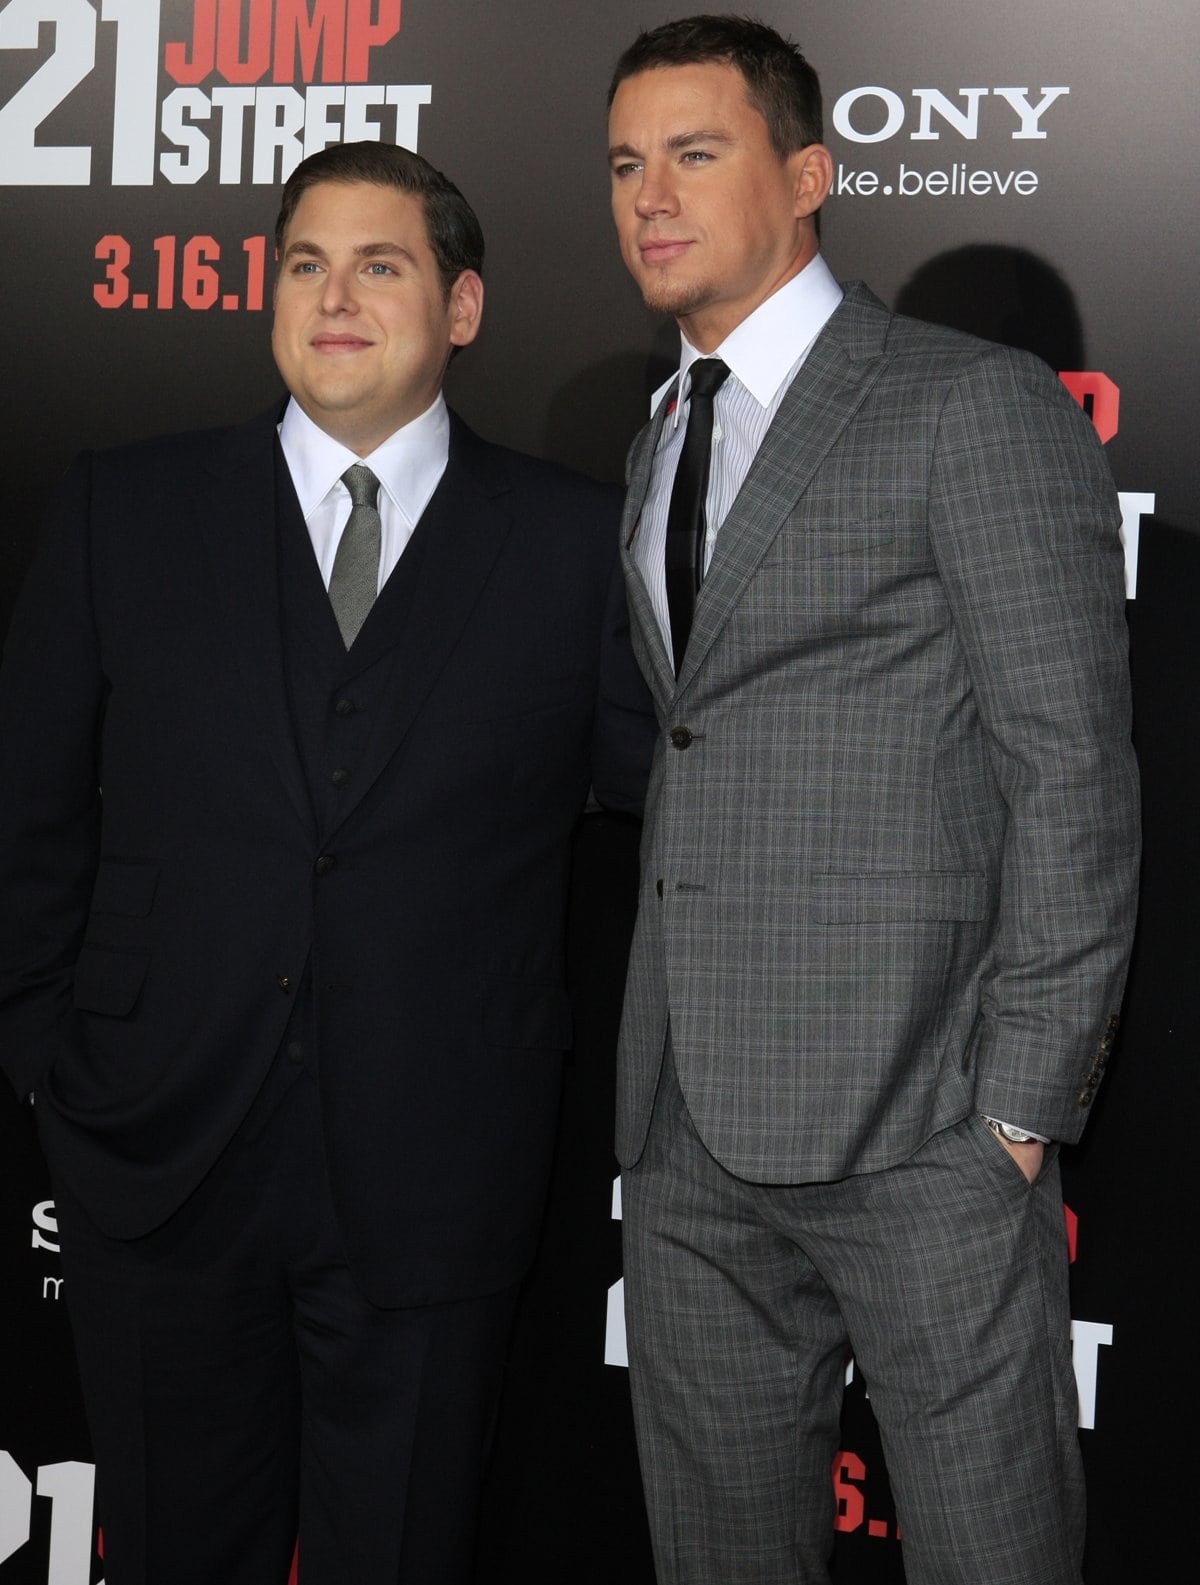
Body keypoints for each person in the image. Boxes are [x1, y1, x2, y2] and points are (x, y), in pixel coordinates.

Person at [0, 140, 653, 1584]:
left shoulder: (570, 545)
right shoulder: (127, 508)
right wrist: (50, 1054)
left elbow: (671, 813)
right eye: (305, 263)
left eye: (380, 264)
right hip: (159, 1163)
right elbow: (28, 814)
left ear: (463, 308)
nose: (334, 295)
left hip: (437, 1183)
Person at [604, 16, 1138, 1585]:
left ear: (811, 174)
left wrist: (1018, 1114)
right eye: (627, 163)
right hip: (689, 1120)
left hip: (925, 1121)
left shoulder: (968, 403)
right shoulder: (661, 434)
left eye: (695, 154)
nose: (650, 195)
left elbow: (1071, 769)